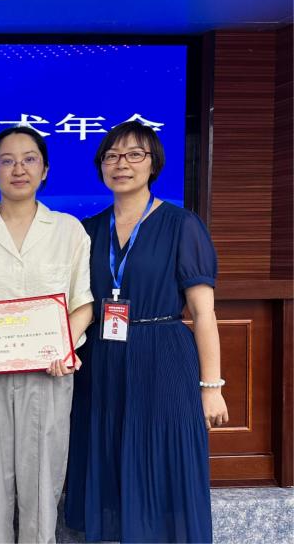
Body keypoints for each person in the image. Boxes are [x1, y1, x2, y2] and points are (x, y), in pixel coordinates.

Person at [64, 121, 228, 542]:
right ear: (101, 166)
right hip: (103, 357)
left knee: (162, 456)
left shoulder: (181, 224)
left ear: (154, 164)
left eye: (135, 155)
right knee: (109, 453)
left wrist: (211, 386)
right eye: (112, 156)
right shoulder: (88, 230)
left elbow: (203, 313)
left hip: (163, 354)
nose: (122, 164)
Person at [0, 126, 93, 543]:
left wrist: (64, 346)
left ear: (45, 170)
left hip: (51, 373)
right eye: (6, 161)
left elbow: (82, 302)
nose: (18, 169)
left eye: (29, 160)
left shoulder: (68, 230)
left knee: (43, 486)